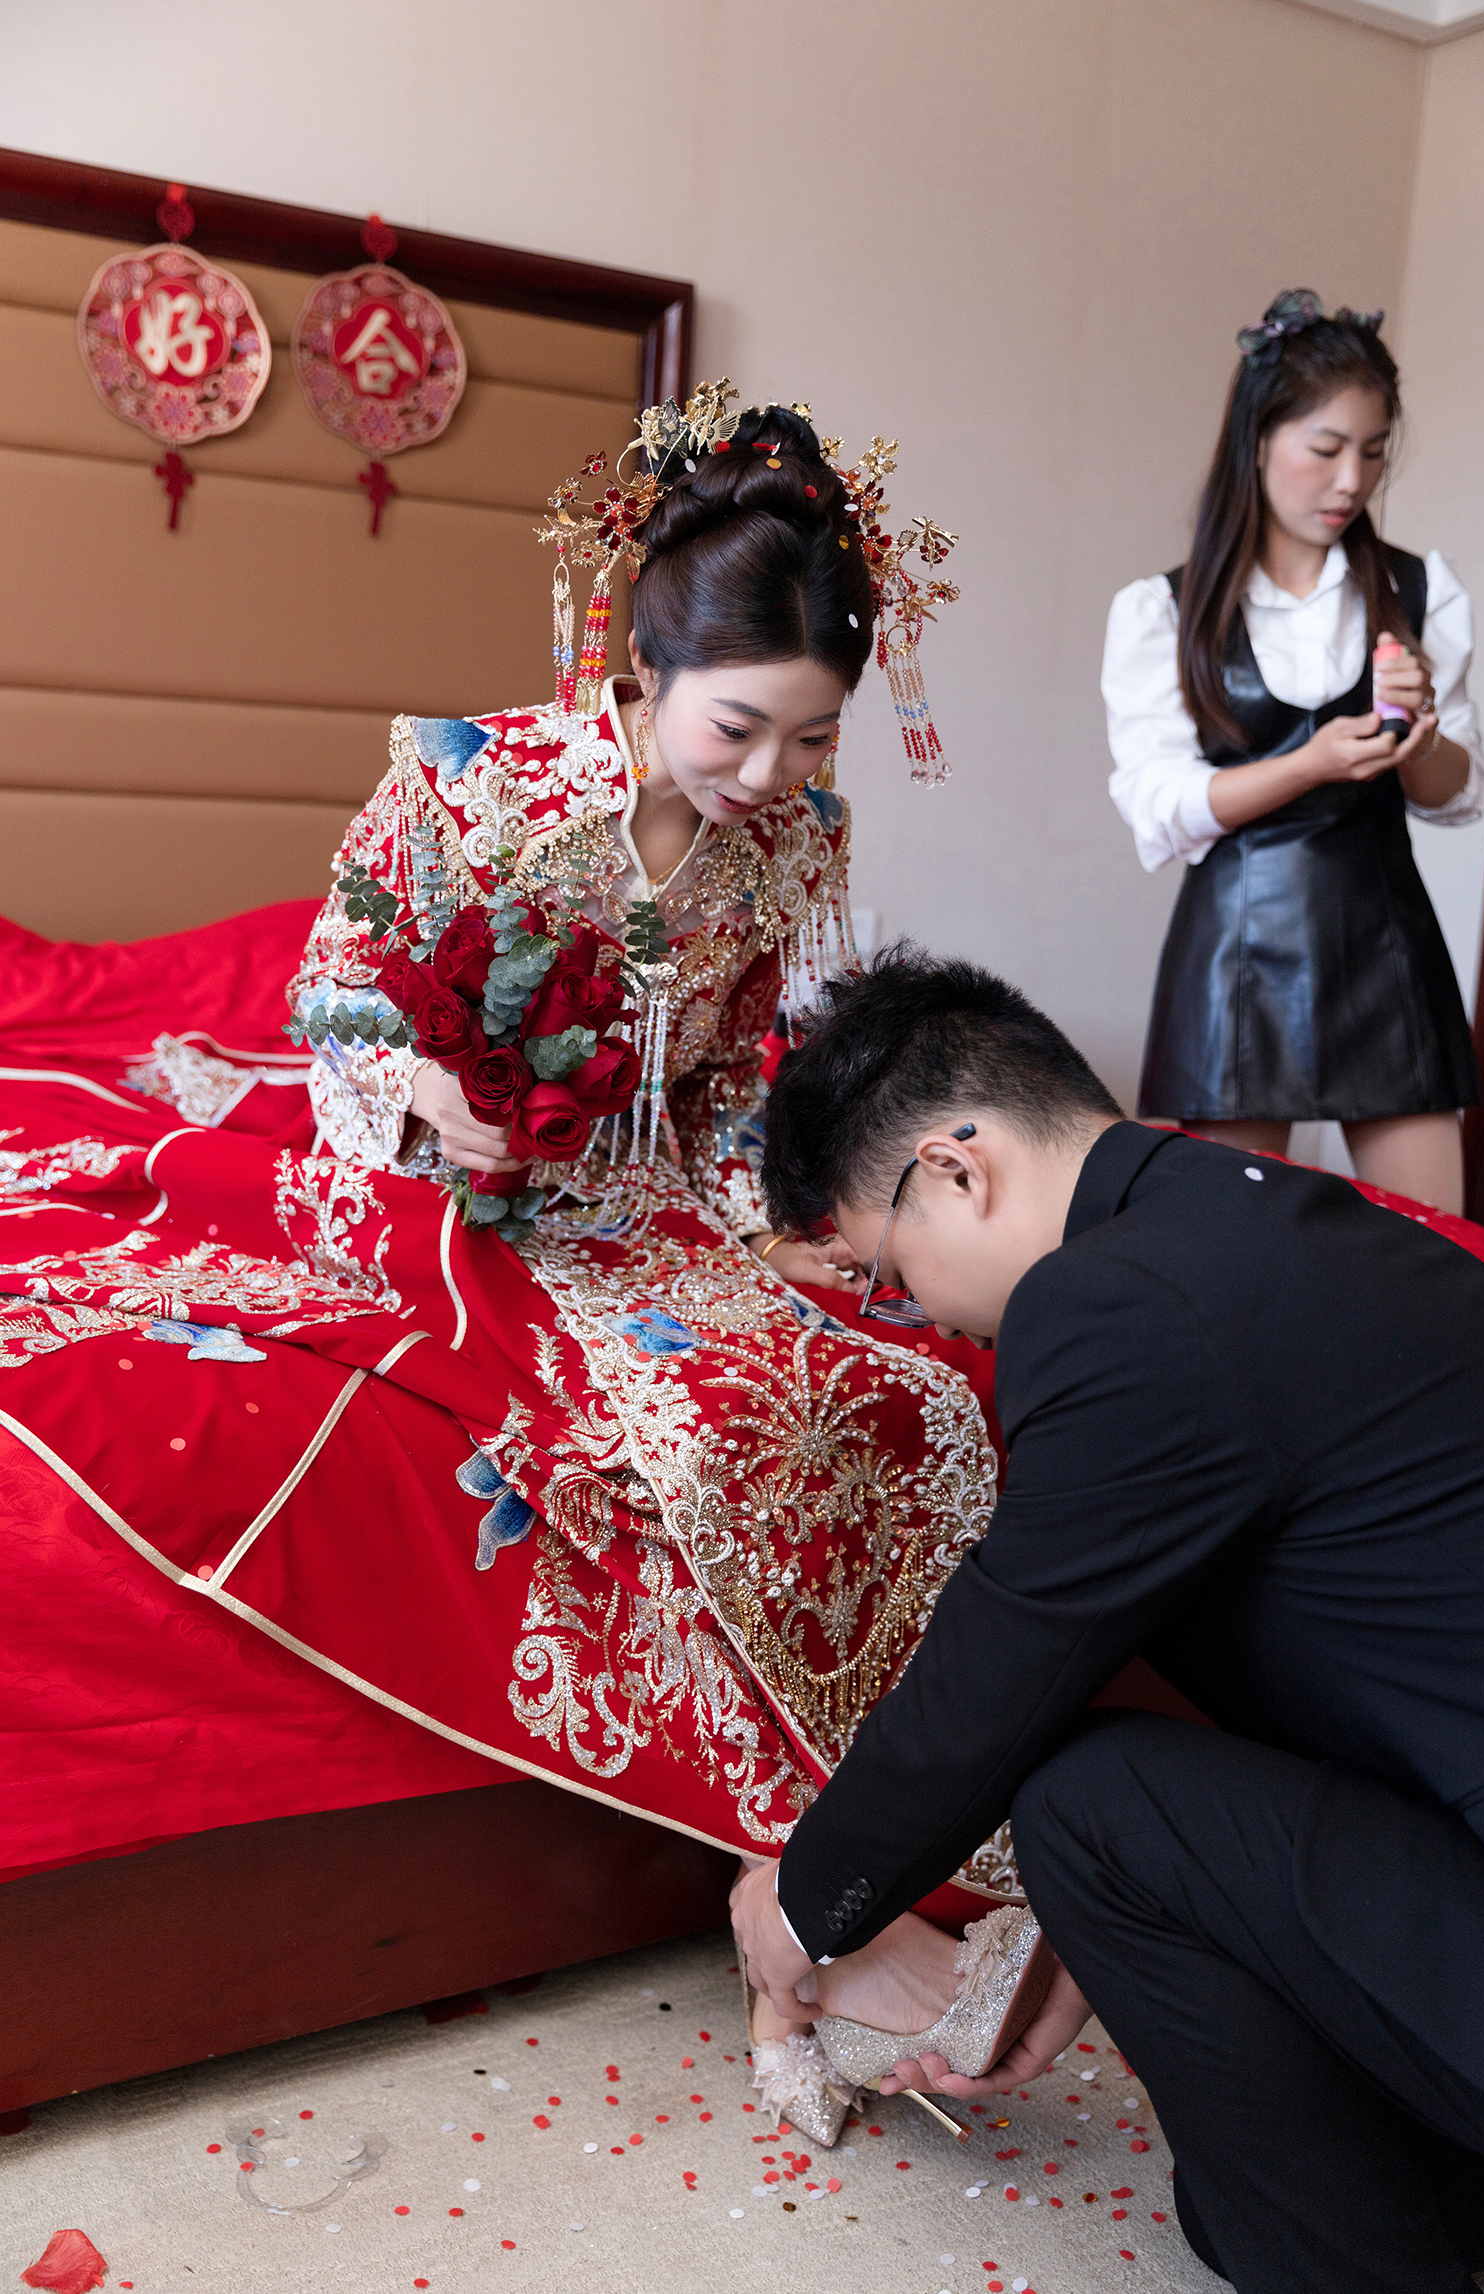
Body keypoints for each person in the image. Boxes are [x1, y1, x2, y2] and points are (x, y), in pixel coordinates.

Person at [0, 393, 1006, 2146]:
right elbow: (331, 996)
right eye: (738, 726)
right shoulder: (470, 778)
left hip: (657, 1189)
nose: (768, 774)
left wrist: (781, 1211)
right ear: (640, 665)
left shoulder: (796, 834)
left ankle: (845, 1873)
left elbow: (742, 1067)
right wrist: (419, 1101)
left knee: (887, 1386)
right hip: (438, 1185)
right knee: (651, 1423)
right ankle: (812, 1902)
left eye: (810, 735)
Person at [732, 946, 1484, 2294]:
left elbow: (1003, 1662)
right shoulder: (1276, 1219)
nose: (923, 1314)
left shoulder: (1114, 1297)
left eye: (890, 1273)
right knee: (1243, 2203)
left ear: (955, 1169)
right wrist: (1123, 1931)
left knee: (1089, 1798)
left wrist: (801, 1902)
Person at [1102, 289, 1484, 1213]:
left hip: (1387, 944)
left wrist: (1418, 735)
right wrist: (1310, 765)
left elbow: (1460, 792)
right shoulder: (1164, 610)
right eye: (1326, 449)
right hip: (1238, 952)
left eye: (1374, 451)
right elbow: (1164, 808)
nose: (1352, 481)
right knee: (1236, 1252)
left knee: (1438, 1251)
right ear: (1257, 439)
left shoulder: (1420, 589)